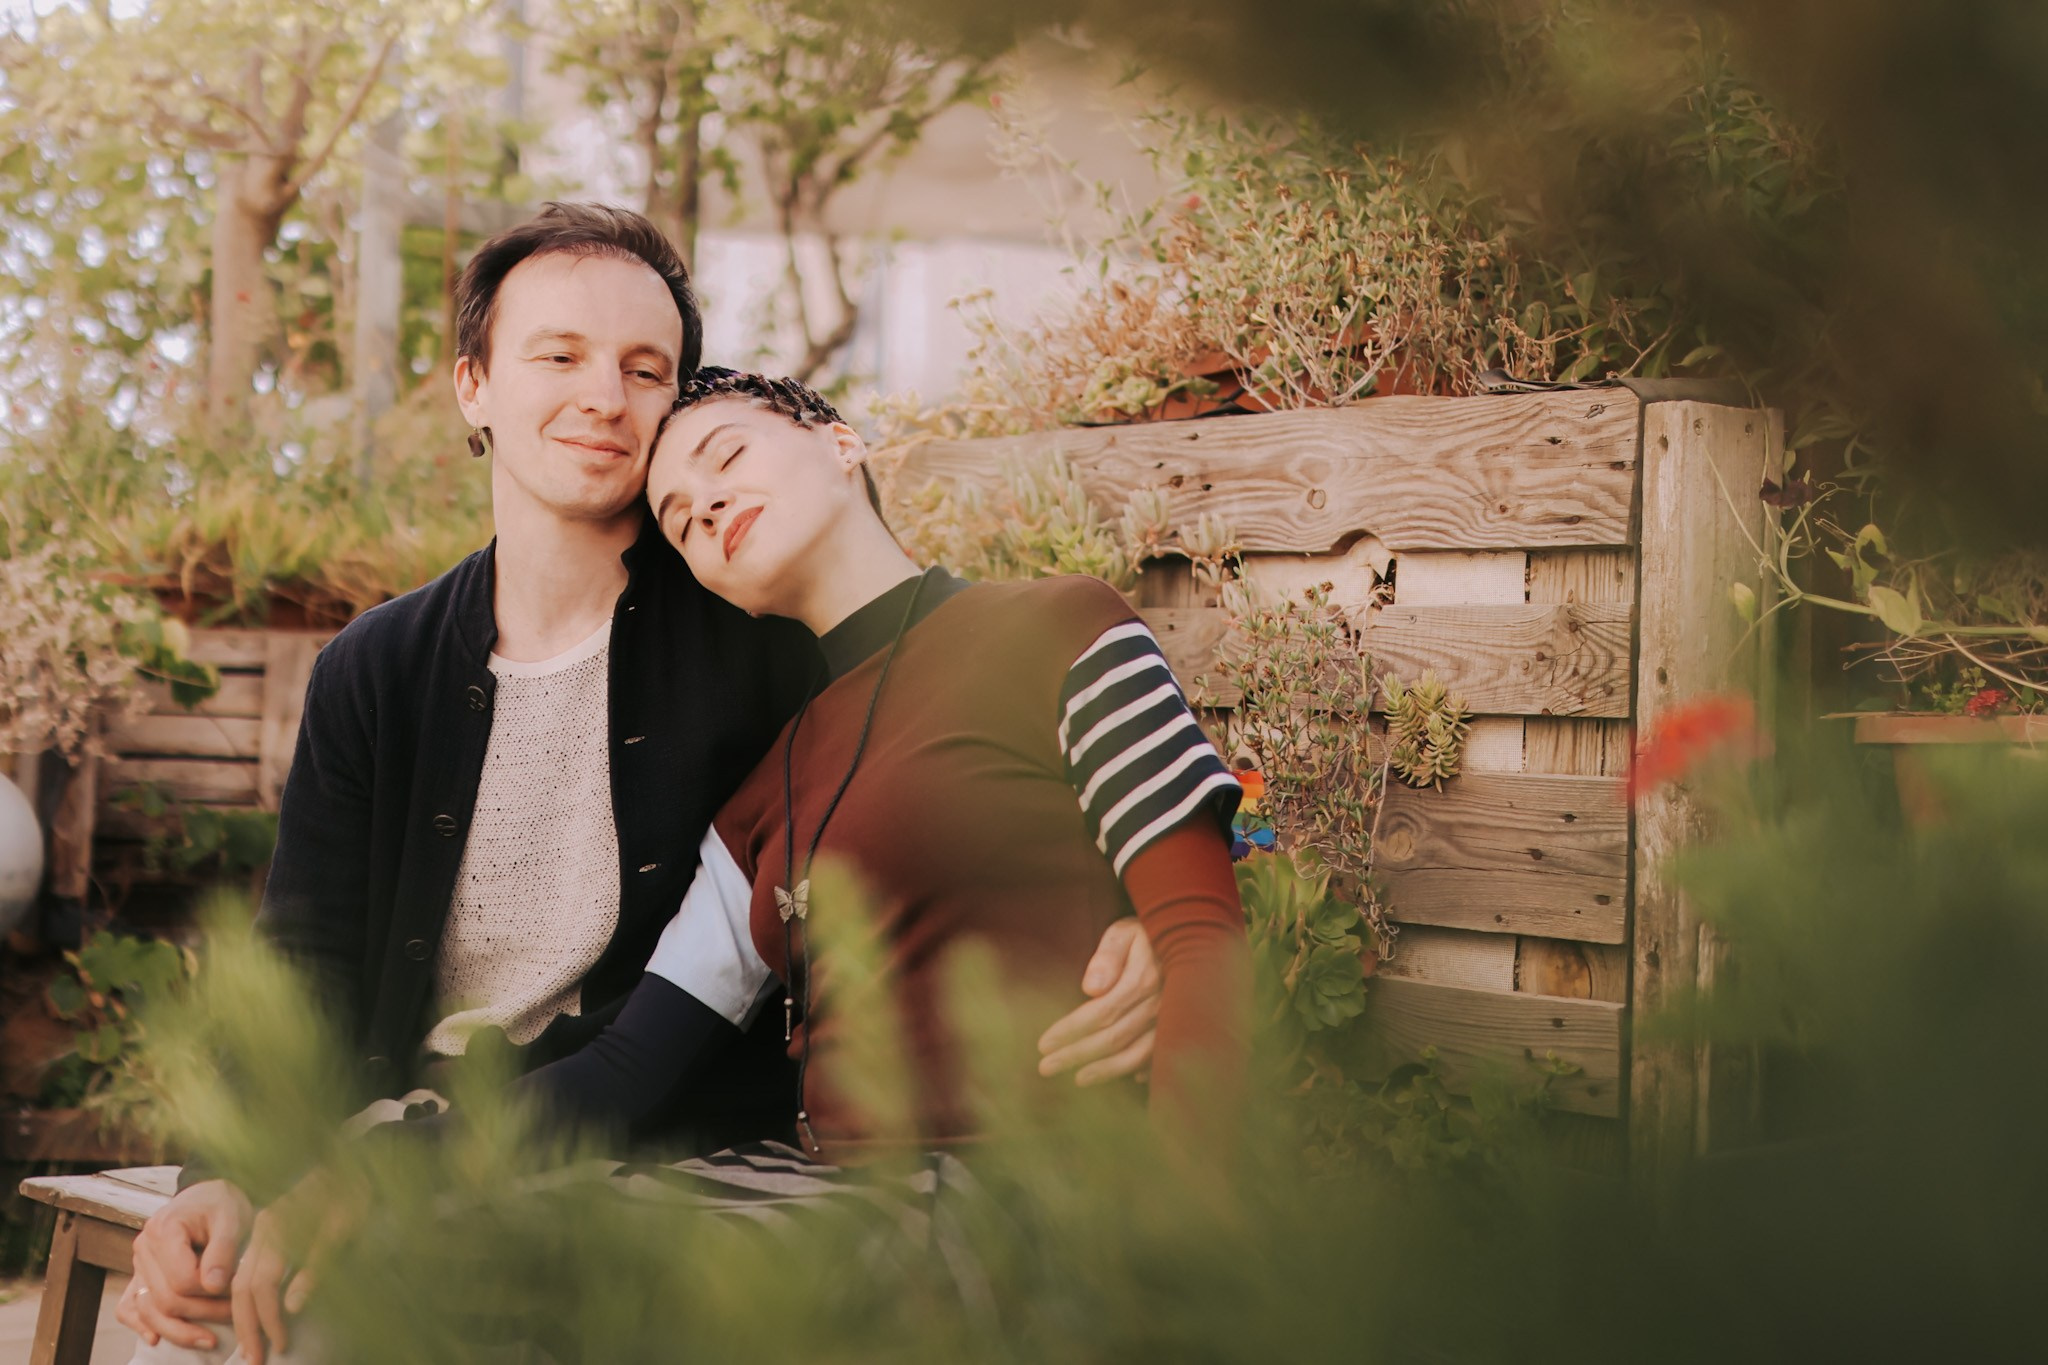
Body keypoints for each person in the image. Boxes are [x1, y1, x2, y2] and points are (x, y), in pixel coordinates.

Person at [116, 204, 1167, 1365]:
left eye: (645, 369)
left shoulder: (755, 623)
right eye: (557, 356)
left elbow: (968, 714)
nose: (604, 397)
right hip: (392, 1133)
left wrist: (1151, 909)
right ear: (473, 386)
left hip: (661, 1141)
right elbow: (299, 960)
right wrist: (220, 1177)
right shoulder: (376, 666)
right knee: (216, 1313)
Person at [502, 369, 1252, 1161]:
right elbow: (627, 1068)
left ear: (842, 444)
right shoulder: (757, 803)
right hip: (813, 1198)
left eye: (726, 458)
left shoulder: (1060, 628)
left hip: (1029, 1187)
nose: (708, 506)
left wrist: (1185, 1231)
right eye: (681, 520)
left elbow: (1202, 938)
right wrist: (394, 1152)